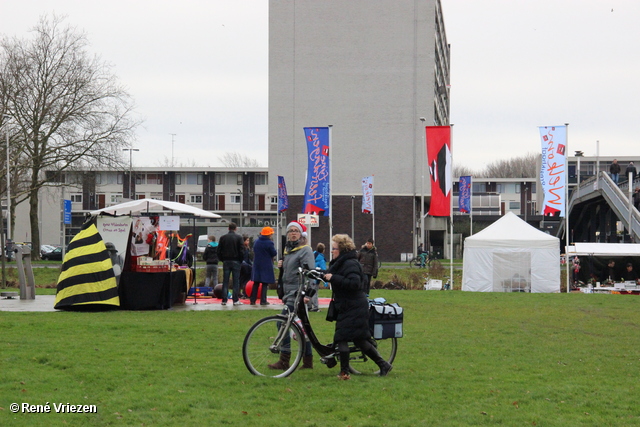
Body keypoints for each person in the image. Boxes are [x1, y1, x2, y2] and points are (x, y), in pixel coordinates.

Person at [324, 234, 392, 380]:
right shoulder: (340, 262)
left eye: (334, 248)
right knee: (359, 339)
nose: (332, 251)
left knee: (341, 338)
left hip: (353, 307)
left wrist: (333, 278)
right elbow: (332, 275)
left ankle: (344, 372)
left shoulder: (350, 263)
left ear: (341, 249)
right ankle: (384, 365)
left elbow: (354, 284)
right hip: (349, 305)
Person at [268, 221, 316, 370]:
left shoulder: (305, 250)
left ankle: (285, 359)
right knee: (303, 327)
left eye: (296, 231)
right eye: (290, 231)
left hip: (298, 293)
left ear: (301, 234)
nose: (293, 233)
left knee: (281, 322)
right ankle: (308, 361)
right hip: (289, 293)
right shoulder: (289, 250)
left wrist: (308, 294)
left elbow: (310, 273)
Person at [217, 223, 245, 306]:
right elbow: (241, 250)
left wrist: (222, 259)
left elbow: (219, 250)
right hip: (236, 260)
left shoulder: (223, 238)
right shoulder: (239, 238)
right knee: (236, 281)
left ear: (228, 228)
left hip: (226, 261)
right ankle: (235, 300)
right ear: (235, 229)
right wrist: (240, 260)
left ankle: (224, 300)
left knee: (225, 281)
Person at [250, 227, 277, 306]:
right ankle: (263, 300)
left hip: (257, 264)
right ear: (269, 234)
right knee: (265, 283)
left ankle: (252, 300)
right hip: (266, 264)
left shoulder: (256, 241)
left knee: (256, 283)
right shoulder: (269, 243)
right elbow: (274, 253)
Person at [307, 243, 327, 312]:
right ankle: (315, 306)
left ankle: (309, 306)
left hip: (310, 276)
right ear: (323, 250)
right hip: (316, 278)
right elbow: (324, 270)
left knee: (309, 291)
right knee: (315, 292)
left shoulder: (312, 256)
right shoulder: (321, 259)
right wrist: (326, 281)